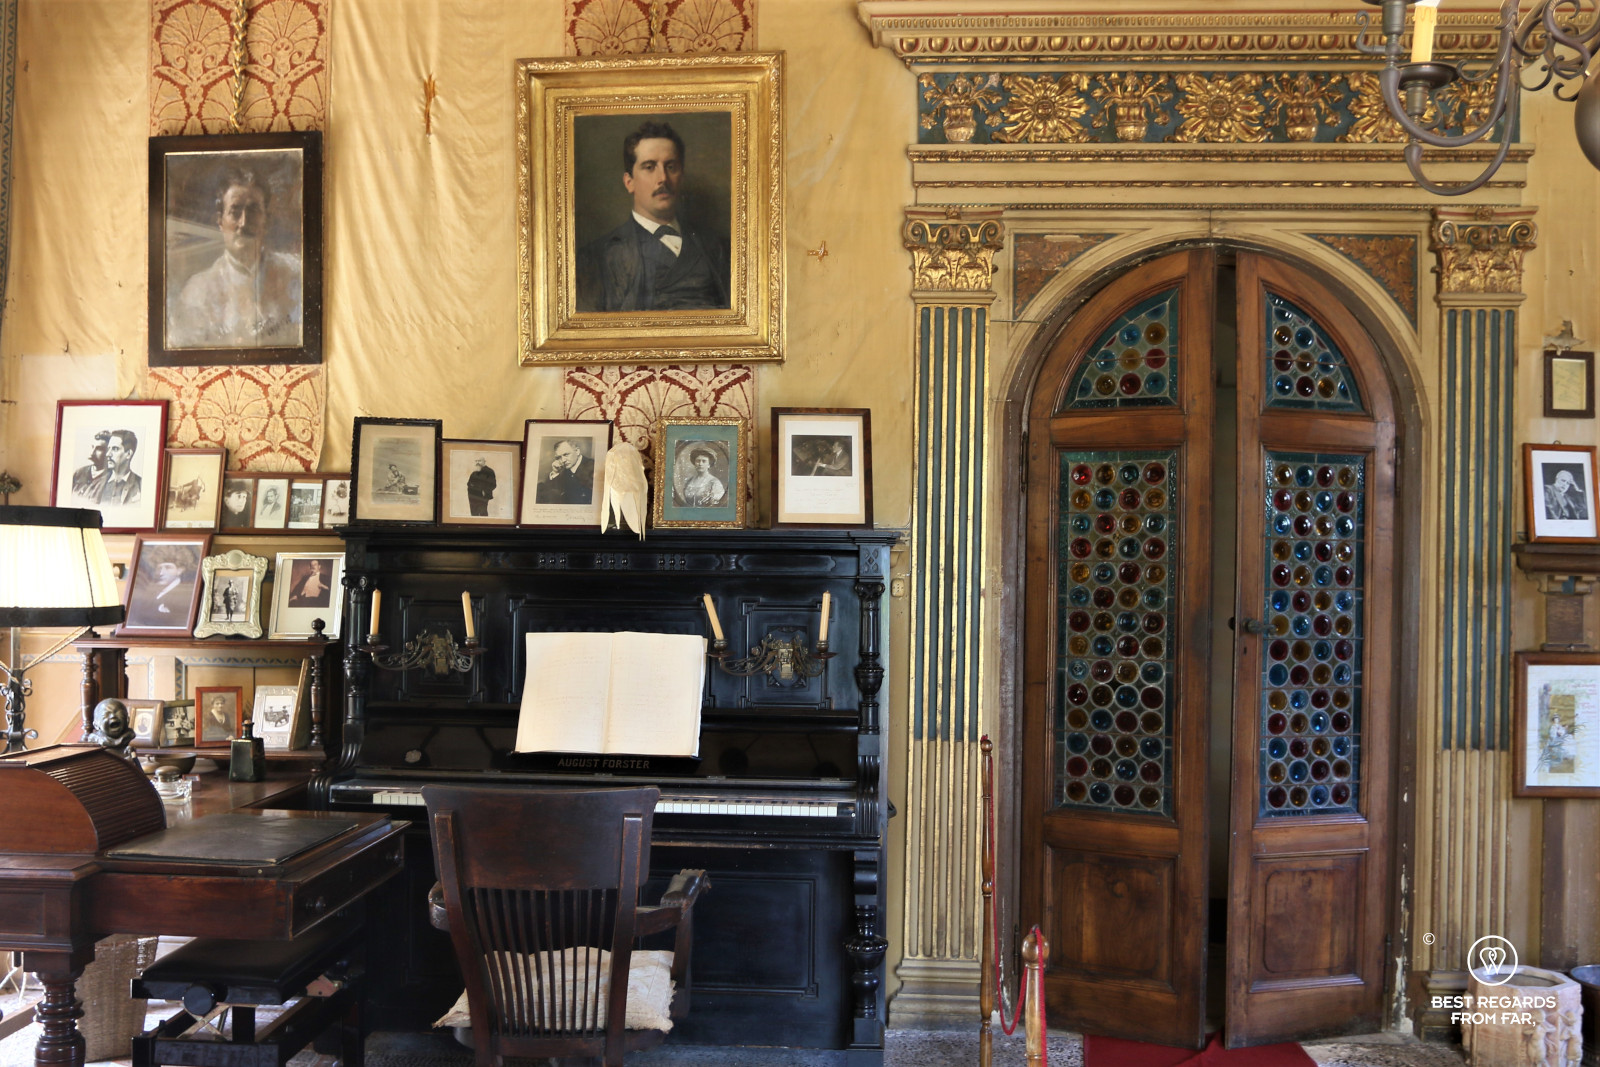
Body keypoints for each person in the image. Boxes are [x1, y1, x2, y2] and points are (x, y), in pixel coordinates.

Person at [574, 121, 730, 312]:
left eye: (671, 166)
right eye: (649, 167)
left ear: (681, 176)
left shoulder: (717, 248)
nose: (663, 178)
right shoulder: (596, 257)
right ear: (629, 182)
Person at [167, 167, 302, 348]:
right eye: (234, 211)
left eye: (253, 211)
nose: (244, 223)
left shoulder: (294, 274)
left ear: (267, 220)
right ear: (220, 221)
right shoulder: (197, 292)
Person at [80, 429, 142, 505]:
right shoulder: (96, 483)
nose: (108, 454)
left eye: (115, 449)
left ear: (128, 454)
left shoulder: (140, 485)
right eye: (108, 449)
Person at [127, 556, 194, 627]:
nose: (161, 573)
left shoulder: (187, 594)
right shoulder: (150, 591)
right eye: (159, 568)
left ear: (180, 570)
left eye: (168, 568)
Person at [536, 440, 593, 505]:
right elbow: (547, 493)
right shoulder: (564, 470)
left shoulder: (592, 466)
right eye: (559, 457)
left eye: (566, 454)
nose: (563, 460)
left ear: (577, 451)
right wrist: (555, 472)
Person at [70, 431, 111, 501]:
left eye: (99, 449)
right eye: (92, 447)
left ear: (108, 452)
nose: (92, 452)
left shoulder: (110, 478)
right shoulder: (78, 473)